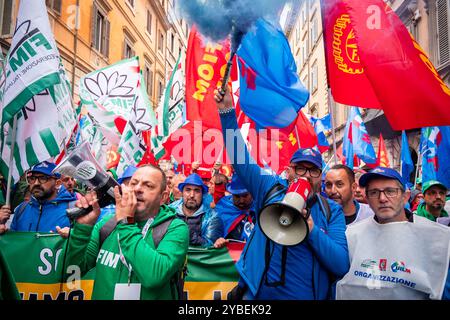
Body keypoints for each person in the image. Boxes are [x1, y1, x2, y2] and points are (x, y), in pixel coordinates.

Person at [214, 88, 349, 300]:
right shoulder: (269, 189)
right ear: (289, 171)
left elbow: (341, 265)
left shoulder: (331, 211)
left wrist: (311, 230)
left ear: (320, 177)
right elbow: (240, 159)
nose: (306, 175)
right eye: (300, 168)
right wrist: (227, 113)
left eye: (313, 170)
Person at [63, 164, 189, 300]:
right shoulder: (107, 224)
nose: (138, 189)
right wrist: (83, 229)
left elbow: (154, 277)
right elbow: (73, 271)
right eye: (133, 183)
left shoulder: (175, 228)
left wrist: (126, 222)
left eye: (148, 186)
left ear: (163, 197)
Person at [336, 167, 450, 299]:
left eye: (390, 191)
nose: (382, 198)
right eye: (374, 192)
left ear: (405, 197)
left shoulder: (437, 236)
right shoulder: (352, 234)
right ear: (367, 198)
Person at [0, 161, 76, 235]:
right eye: (32, 178)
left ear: (57, 183)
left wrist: (73, 236)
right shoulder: (21, 209)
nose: (36, 183)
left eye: (43, 178)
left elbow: (82, 243)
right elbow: (14, 243)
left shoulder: (73, 210)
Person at [169, 173, 224, 248]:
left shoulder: (212, 217)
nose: (192, 195)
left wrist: (187, 235)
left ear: (202, 194)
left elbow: (210, 245)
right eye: (188, 190)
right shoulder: (170, 210)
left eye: (197, 191)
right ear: (182, 193)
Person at [214, 175, 256, 248]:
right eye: (237, 196)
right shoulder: (223, 207)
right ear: (232, 193)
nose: (241, 200)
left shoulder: (261, 206)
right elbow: (212, 236)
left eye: (245, 196)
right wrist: (217, 240)